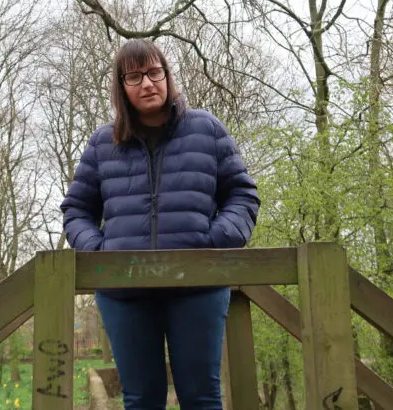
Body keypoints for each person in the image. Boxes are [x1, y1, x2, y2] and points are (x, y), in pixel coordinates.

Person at [60, 39, 260, 409]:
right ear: (121, 87)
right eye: (134, 76)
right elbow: (76, 210)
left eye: (154, 72)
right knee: (141, 400)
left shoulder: (207, 129)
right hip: (125, 294)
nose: (147, 83)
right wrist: (102, 253)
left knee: (201, 397)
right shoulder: (103, 144)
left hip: (198, 286)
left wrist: (213, 241)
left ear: (167, 76)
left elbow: (243, 195)